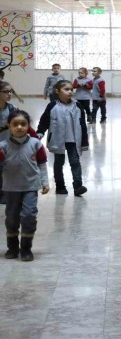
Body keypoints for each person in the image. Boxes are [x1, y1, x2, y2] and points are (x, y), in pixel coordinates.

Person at [1, 110, 49, 261]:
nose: (19, 127)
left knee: (29, 216)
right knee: (12, 218)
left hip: (30, 187)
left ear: (29, 126)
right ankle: (12, 247)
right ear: (9, 126)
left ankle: (26, 248)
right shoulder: (3, 146)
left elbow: (42, 164)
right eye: (15, 124)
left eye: (23, 124)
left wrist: (45, 182)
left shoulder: (36, 144)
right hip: (11, 188)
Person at [36, 80, 89, 197]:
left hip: (73, 140)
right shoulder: (52, 106)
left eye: (71, 89)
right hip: (58, 139)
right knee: (59, 163)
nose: (70, 92)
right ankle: (60, 186)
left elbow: (82, 125)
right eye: (66, 89)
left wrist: (84, 141)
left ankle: (78, 186)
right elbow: (44, 120)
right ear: (57, 91)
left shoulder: (78, 106)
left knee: (75, 162)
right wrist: (40, 132)